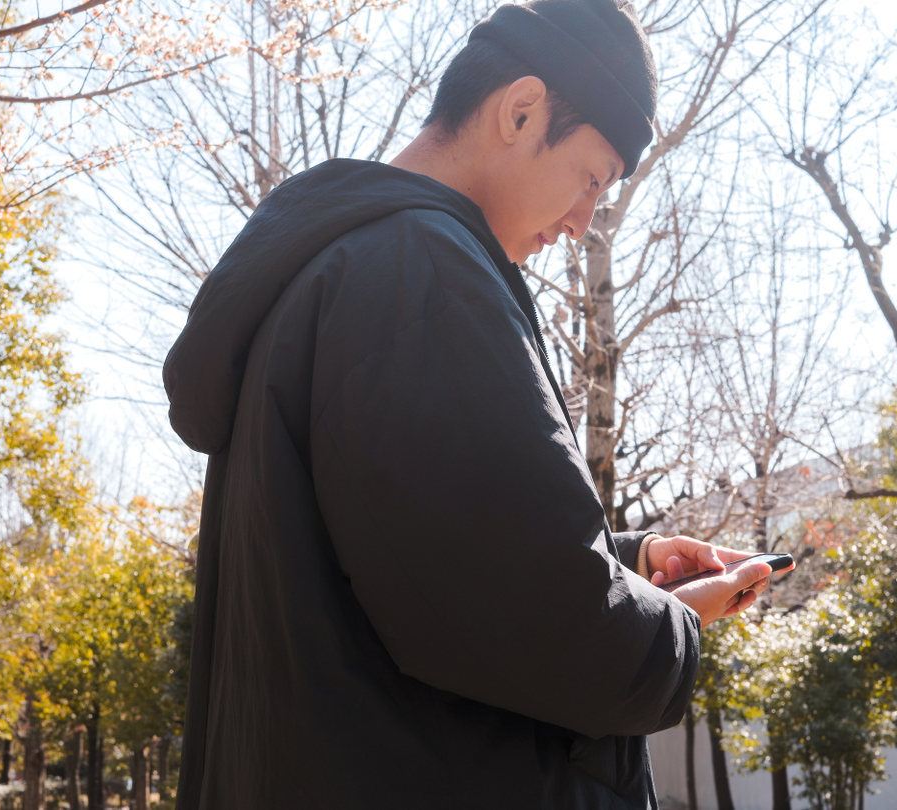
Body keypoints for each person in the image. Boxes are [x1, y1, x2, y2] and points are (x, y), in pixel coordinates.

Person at [161, 0, 785, 807]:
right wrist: (676, 627)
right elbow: (550, 628)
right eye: (591, 179)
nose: (582, 222)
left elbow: (421, 554)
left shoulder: (328, 269)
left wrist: (626, 560)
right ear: (520, 111)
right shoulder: (422, 270)